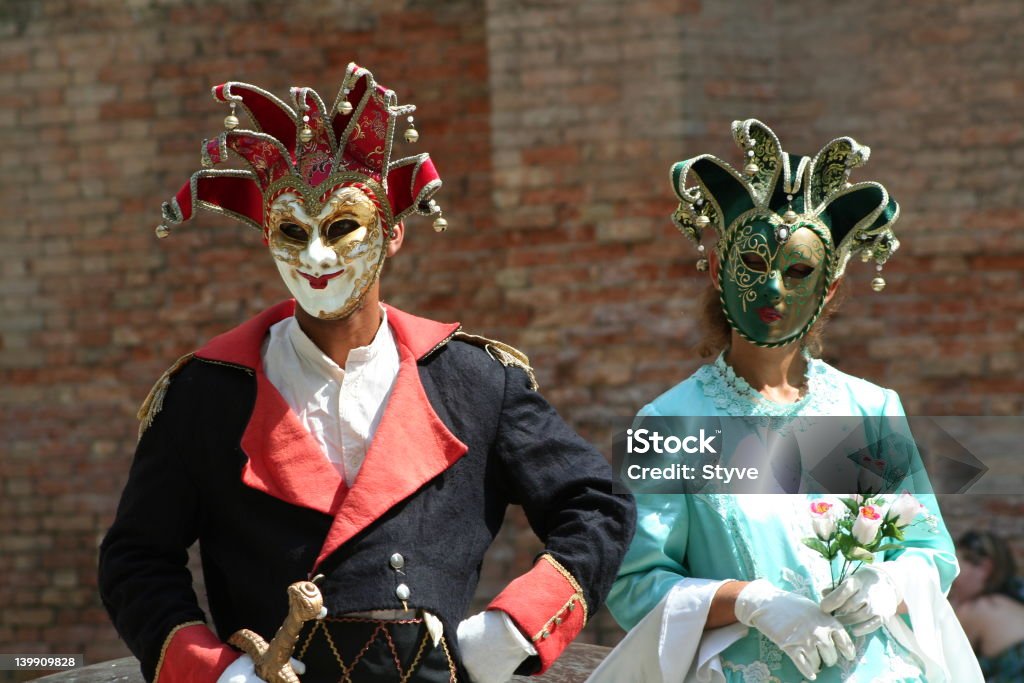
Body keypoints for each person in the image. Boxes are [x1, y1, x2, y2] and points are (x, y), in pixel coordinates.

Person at [98, 63, 635, 683]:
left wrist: (512, 627)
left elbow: (596, 505)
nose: (316, 257)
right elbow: (136, 559)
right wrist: (216, 673)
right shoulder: (206, 394)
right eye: (291, 232)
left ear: (393, 233)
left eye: (341, 228)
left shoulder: (475, 381)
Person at [587, 120, 982, 682]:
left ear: (830, 287)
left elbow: (932, 554)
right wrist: (752, 602)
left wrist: (890, 584)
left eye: (797, 271)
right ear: (721, 270)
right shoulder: (670, 422)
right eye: (753, 265)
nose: (773, 289)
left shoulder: (869, 410)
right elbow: (635, 587)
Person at [951, 531, 1024, 682]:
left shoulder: (978, 609)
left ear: (985, 569)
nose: (951, 579)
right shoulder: (1009, 602)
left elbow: (947, 666)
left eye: (956, 567)